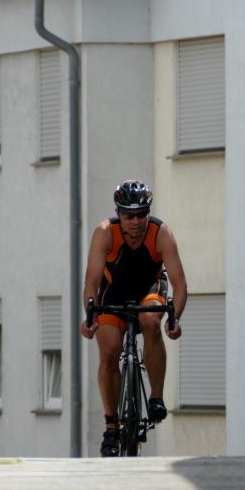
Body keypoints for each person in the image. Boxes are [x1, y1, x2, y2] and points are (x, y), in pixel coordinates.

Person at [80, 180, 187, 457]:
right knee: (109, 350)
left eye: (141, 214)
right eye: (129, 215)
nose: (136, 221)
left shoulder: (161, 234)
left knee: (151, 322)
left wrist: (174, 319)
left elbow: (180, 284)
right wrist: (90, 316)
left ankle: (156, 398)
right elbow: (91, 282)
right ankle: (111, 426)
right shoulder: (105, 233)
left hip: (148, 290)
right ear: (119, 214)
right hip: (113, 293)